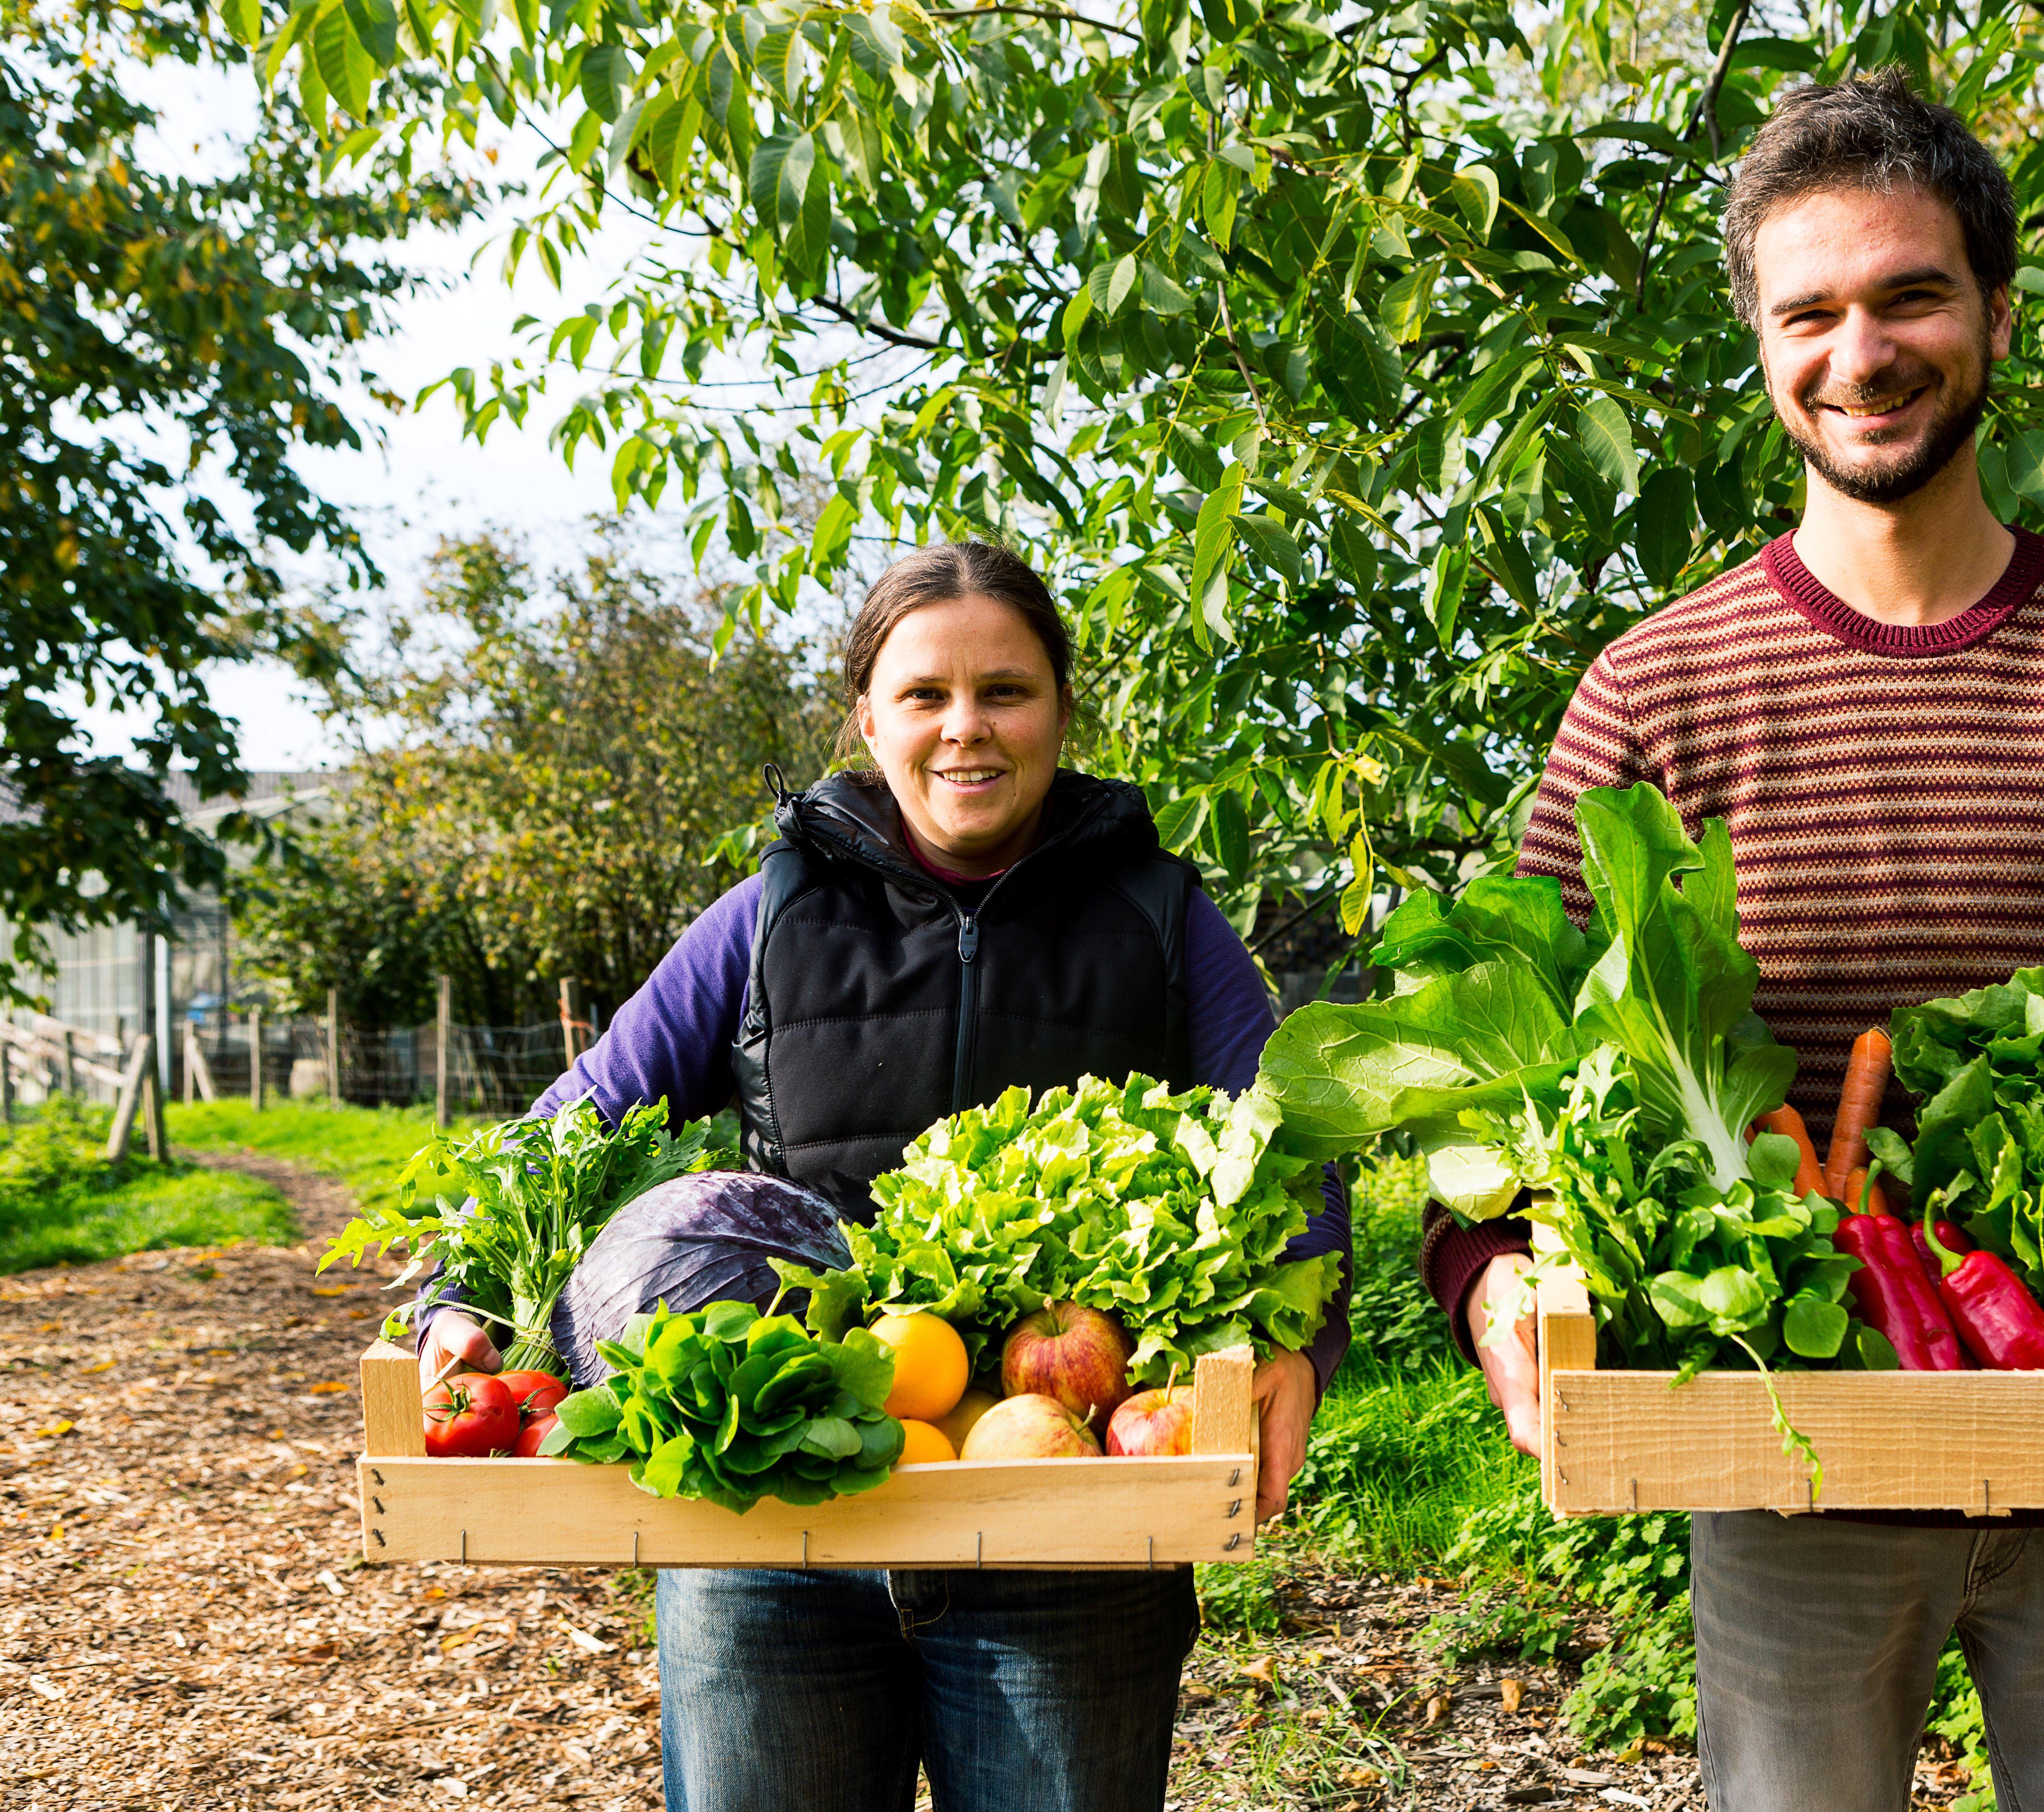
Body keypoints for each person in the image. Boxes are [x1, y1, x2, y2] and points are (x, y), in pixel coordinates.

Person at [1418, 71, 2044, 1812]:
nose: (1862, 351)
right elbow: (1537, 1080)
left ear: (1994, 312)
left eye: (1911, 294)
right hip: (1787, 1450)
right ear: (1760, 342)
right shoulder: (1658, 695)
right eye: (1809, 310)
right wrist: (1493, 1275)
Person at [418, 541, 1350, 1812]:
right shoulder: (770, 917)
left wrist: (1297, 1336)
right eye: (925, 695)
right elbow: (567, 1128)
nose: (967, 728)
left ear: (1062, 711)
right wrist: (462, 1294)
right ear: (867, 717)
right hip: (769, 1522)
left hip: (1062, 1526)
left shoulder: (1160, 916)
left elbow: (1294, 1143)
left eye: (1006, 691)